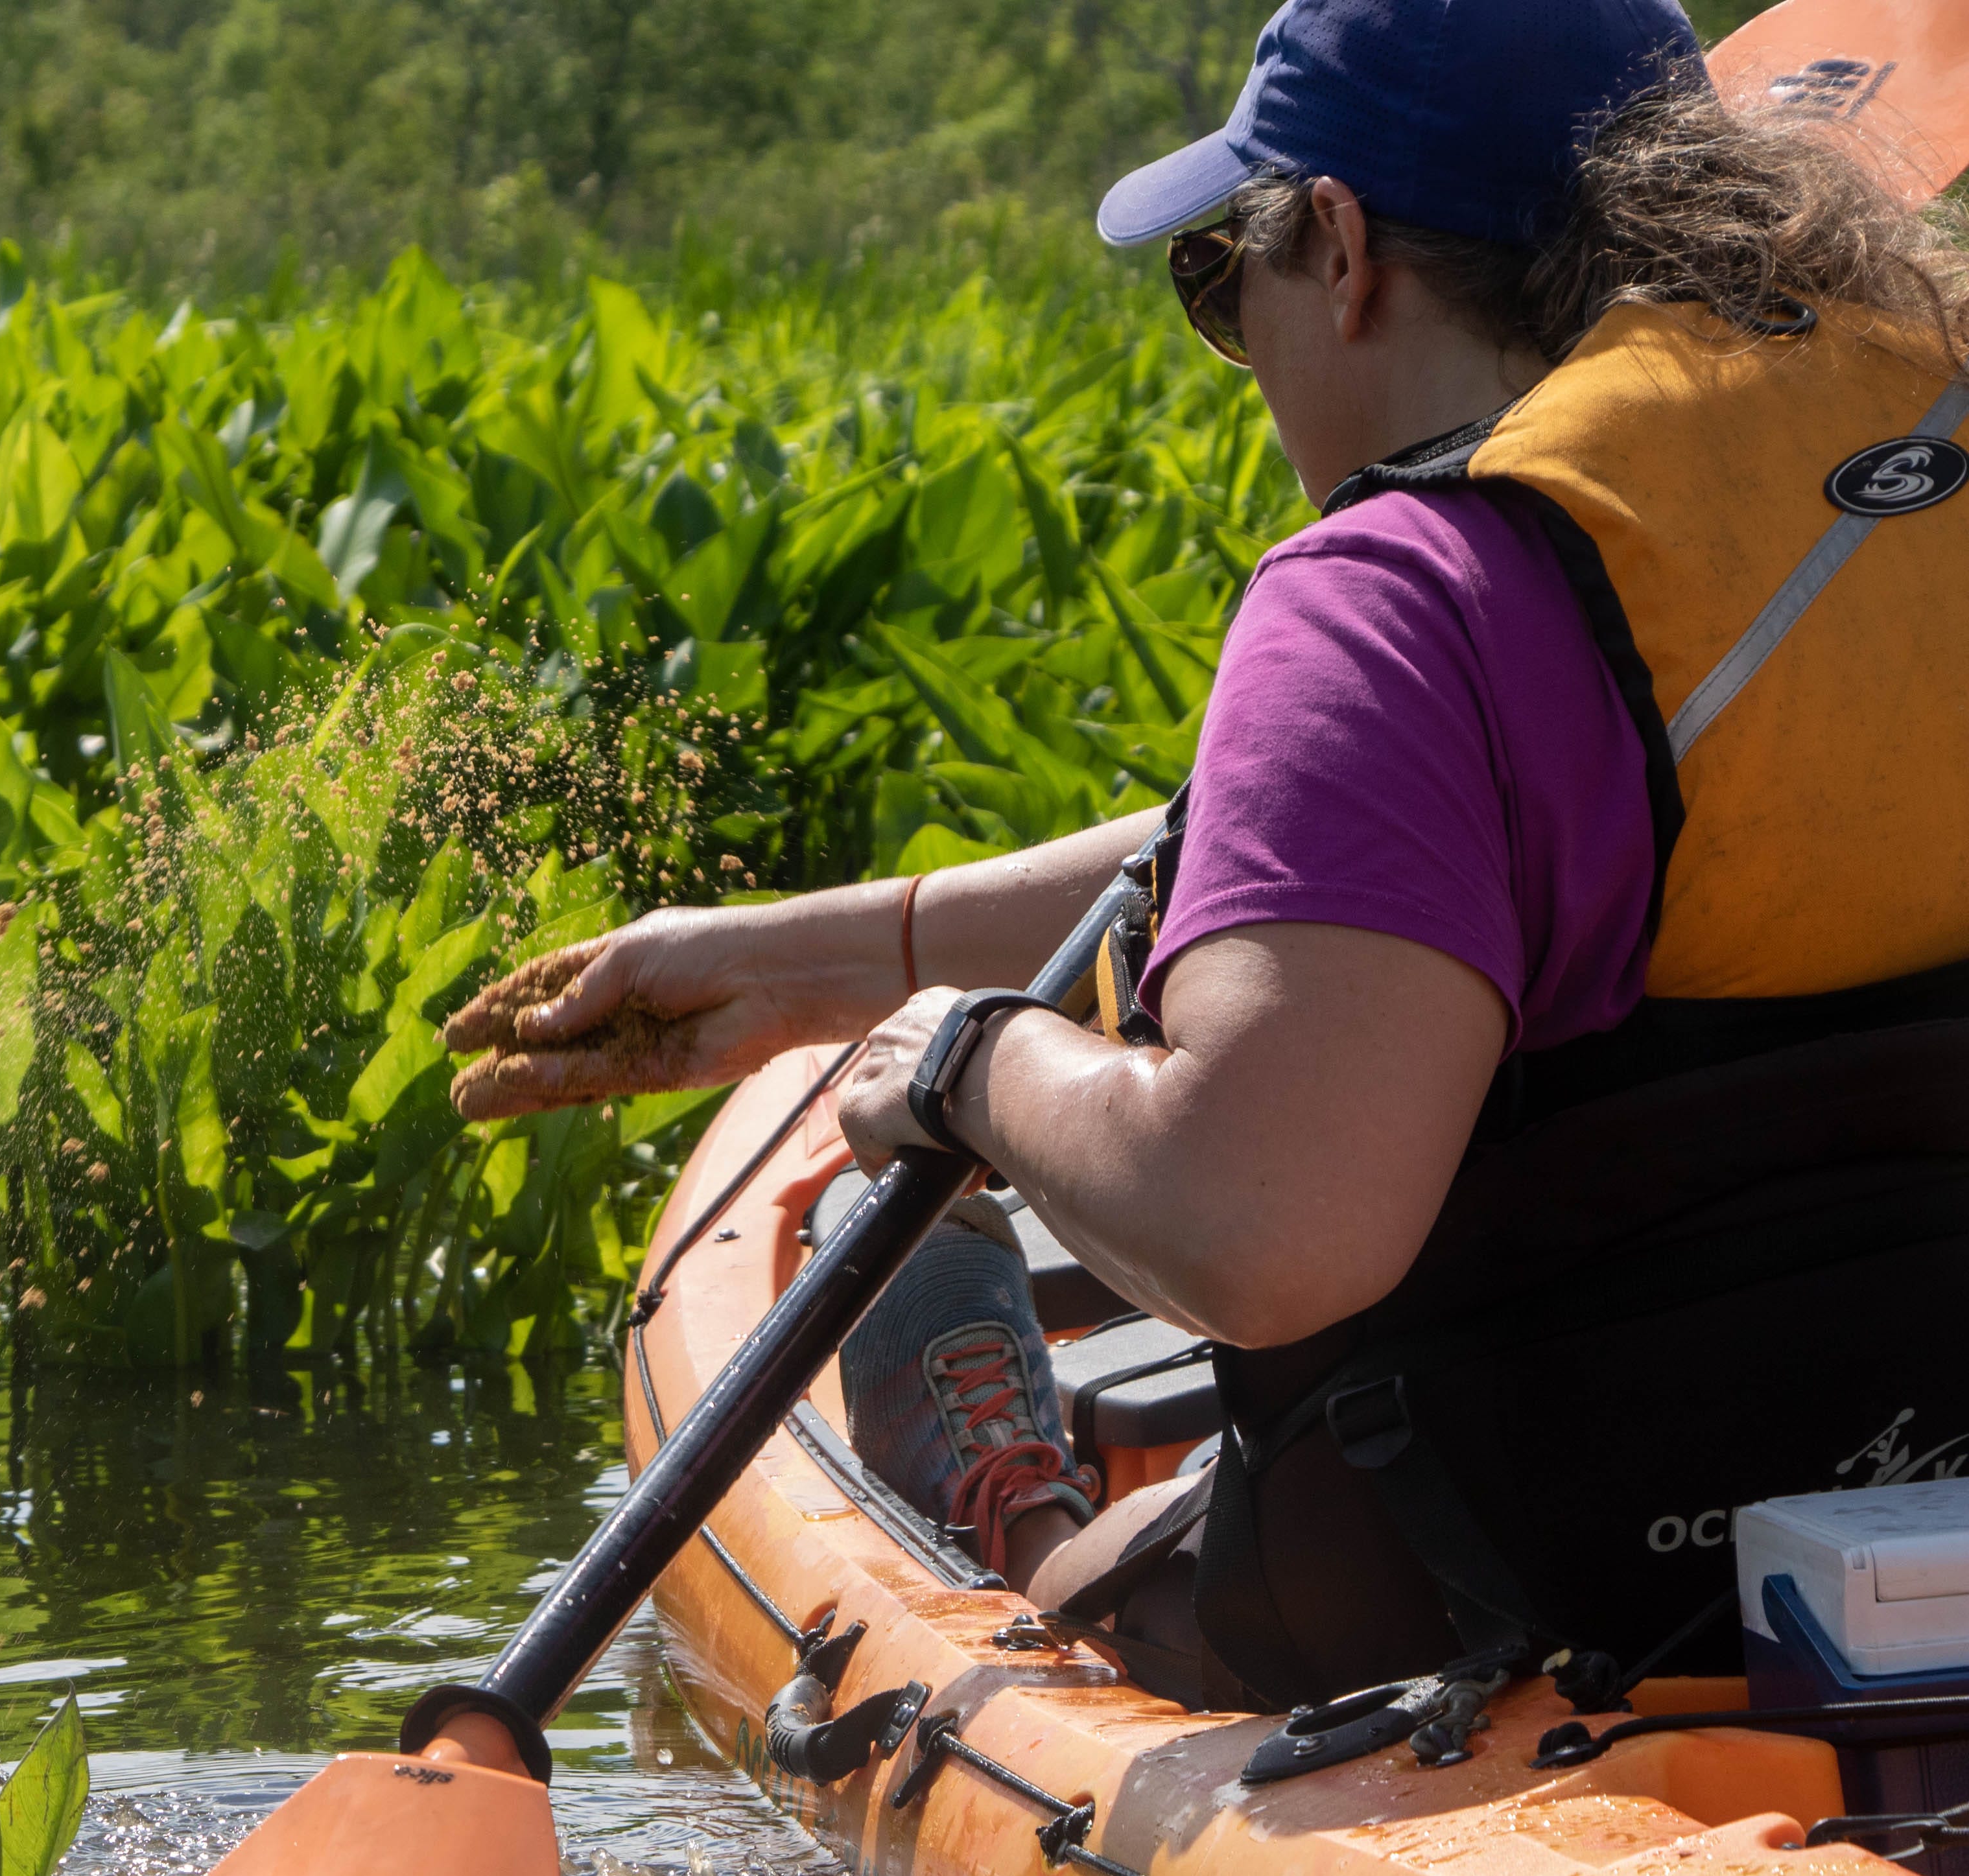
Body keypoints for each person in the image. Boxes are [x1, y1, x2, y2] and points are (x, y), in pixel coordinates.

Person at [446, 0, 1969, 1711]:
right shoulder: (1897, 475)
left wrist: (967, 1060)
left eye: (1220, 277)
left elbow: (1261, 1232)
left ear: (1338, 249)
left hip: (1549, 1568)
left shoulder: (1402, 598)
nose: (1235, 331)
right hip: (1933, 1455)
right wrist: (823, 960)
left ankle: (1018, 1509)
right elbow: (1346, 869)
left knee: (1096, 1579)